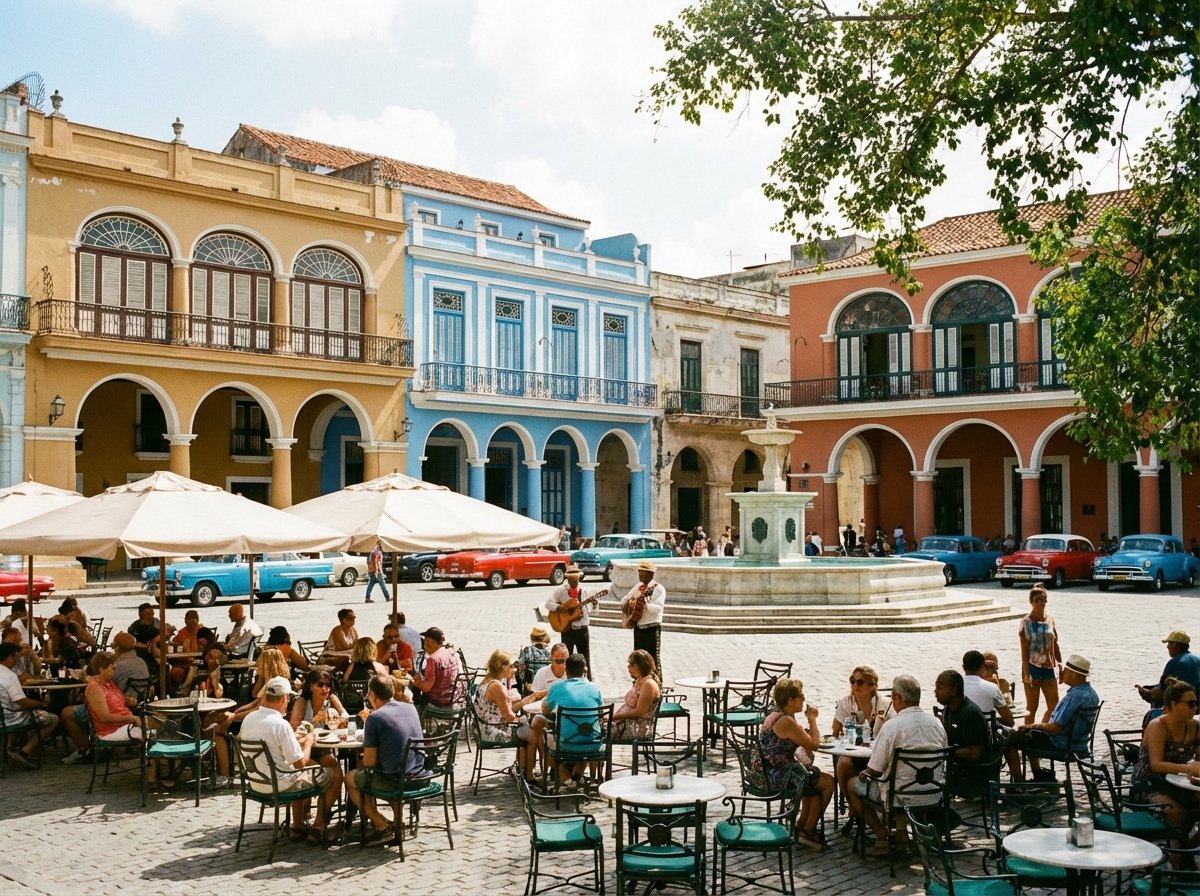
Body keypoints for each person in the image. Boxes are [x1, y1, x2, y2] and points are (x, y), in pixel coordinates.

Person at [854, 674, 948, 857]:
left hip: (898, 797)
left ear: (897, 697)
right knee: (899, 778)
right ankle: (902, 834)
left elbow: (876, 768)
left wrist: (863, 773)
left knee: (852, 784)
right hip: (932, 792)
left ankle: (882, 836)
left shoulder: (892, 726)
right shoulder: (936, 723)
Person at [241, 676, 342, 846]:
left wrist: (293, 739)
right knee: (336, 774)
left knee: (314, 767)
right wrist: (309, 741)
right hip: (280, 784)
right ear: (284, 699)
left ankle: (298, 826)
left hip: (256, 783)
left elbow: (274, 746)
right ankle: (318, 828)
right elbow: (300, 764)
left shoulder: (249, 719)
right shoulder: (280, 724)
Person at [345, 674, 426, 844]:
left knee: (350, 778)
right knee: (390, 769)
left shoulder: (374, 718)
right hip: (420, 775)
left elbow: (369, 763)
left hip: (397, 780)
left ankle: (382, 826)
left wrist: (363, 757)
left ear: (372, 695)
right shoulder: (410, 708)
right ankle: (397, 824)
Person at [754, 677, 833, 850]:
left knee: (812, 776)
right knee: (827, 783)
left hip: (768, 770)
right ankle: (807, 831)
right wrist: (812, 719)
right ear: (790, 700)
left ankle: (801, 828)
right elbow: (814, 744)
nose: (804, 699)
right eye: (801, 696)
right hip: (776, 775)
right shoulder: (786, 721)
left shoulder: (776, 715)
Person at [1007, 654, 1099, 782]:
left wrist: (1032, 726)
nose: (1062, 673)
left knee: (1010, 739)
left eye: (1065, 671)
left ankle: (1019, 783)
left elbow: (1055, 727)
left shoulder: (1075, 696)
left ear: (1073, 674)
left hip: (1062, 744)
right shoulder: (1092, 693)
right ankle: (1038, 774)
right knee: (1028, 733)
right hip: (1080, 744)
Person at [1130, 677, 1200, 844]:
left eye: (1196, 703)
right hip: (1148, 785)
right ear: (1174, 704)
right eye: (1190, 703)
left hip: (1179, 785)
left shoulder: (1195, 727)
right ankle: (1180, 857)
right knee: (1179, 815)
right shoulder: (1158, 726)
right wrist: (1188, 769)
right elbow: (1157, 765)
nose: (1196, 707)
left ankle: (1185, 849)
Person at [831, 665, 894, 831]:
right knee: (843, 764)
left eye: (860, 682)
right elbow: (835, 731)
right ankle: (854, 808)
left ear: (872, 686)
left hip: (875, 755)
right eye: (852, 681)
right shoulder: (846, 703)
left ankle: (862, 812)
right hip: (852, 752)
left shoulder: (885, 704)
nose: (855, 686)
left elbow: (892, 733)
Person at [472, 650, 545, 782]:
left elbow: (504, 710)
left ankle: (522, 770)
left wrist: (528, 699)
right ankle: (529, 776)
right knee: (533, 734)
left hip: (483, 727)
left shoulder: (487, 680)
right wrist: (523, 719)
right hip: (491, 730)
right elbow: (509, 716)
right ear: (501, 666)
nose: (515, 669)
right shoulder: (497, 686)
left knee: (526, 729)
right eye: (511, 666)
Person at [533, 652, 602, 788]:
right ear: (584, 670)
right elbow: (599, 711)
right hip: (593, 743)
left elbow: (545, 709)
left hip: (567, 744)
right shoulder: (594, 688)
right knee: (584, 732)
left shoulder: (558, 688)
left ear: (566, 670)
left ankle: (565, 777)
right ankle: (577, 775)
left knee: (543, 740)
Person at [0, 641, 59, 769]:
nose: (16, 660)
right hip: (12, 718)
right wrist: (40, 704)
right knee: (53, 719)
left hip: (3, 716)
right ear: (10, 657)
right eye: (16, 657)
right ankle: (26, 751)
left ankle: (11, 746)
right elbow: (22, 702)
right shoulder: (9, 676)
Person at [935, 670, 991, 795]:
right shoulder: (948, 709)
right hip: (955, 770)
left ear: (953, 691)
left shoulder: (970, 713)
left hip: (971, 776)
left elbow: (974, 753)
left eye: (940, 688)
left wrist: (945, 752)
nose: (935, 691)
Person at [1018, 584, 1061, 725]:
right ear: (1031, 602)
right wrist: (1026, 673)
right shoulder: (1025, 622)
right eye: (1037, 600)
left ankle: (1040, 730)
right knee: (1031, 708)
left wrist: (1060, 665)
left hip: (1048, 668)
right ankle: (1027, 734)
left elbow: (1055, 644)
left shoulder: (1050, 620)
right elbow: (1024, 650)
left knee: (1054, 706)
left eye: (1043, 600)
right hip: (1032, 667)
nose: (1040, 603)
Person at [84, 651, 143, 746]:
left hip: (124, 726)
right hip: (110, 731)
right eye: (113, 668)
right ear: (102, 669)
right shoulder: (95, 688)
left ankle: (158, 757)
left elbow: (116, 702)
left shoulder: (109, 683)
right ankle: (157, 757)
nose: (115, 671)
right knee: (151, 734)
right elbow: (104, 717)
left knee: (157, 722)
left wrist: (129, 700)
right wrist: (132, 718)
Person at [545, 566, 596, 676]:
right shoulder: (561, 591)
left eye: (575, 579)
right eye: (571, 580)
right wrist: (560, 608)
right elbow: (548, 604)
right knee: (566, 657)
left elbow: (592, 611)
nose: (573, 582)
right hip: (567, 629)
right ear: (567, 579)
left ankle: (587, 679)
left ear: (579, 578)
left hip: (582, 630)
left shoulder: (585, 592)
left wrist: (595, 604)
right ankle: (566, 678)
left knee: (585, 657)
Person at [1136, 630, 1200, 713]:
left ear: (1175, 645)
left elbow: (1163, 689)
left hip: (1184, 705)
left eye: (1169, 644)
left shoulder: (1176, 662)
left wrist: (1146, 693)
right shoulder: (1197, 659)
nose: (1167, 647)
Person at [620, 560, 665, 676]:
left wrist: (645, 605)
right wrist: (630, 603)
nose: (640, 576)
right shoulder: (638, 586)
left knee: (653, 657)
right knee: (638, 658)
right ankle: (638, 683)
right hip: (639, 627)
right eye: (639, 573)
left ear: (650, 575)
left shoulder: (658, 589)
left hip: (652, 627)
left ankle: (656, 684)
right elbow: (625, 599)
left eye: (642, 574)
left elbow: (658, 608)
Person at [611, 649, 661, 741]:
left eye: (632, 664)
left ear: (641, 665)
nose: (628, 666)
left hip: (636, 727)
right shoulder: (640, 681)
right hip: (627, 723)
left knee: (595, 731)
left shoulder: (648, 684)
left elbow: (638, 712)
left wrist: (616, 717)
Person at [408, 627, 461, 710]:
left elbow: (426, 687)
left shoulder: (433, 659)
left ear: (431, 642)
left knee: (412, 693)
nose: (425, 646)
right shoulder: (449, 653)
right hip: (451, 698)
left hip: (438, 701)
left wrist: (416, 682)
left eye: (426, 642)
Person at [962, 650, 1014, 726]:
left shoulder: (956, 685)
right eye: (988, 667)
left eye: (995, 668)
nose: (992, 671)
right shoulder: (992, 687)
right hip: (984, 732)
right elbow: (1009, 719)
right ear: (982, 667)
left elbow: (1008, 703)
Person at [343, 637, 388, 714]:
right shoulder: (377, 667)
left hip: (353, 706)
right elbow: (388, 684)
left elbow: (345, 681)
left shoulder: (351, 667)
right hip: (374, 706)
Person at [110, 631, 150, 703]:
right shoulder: (142, 662)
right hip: (140, 701)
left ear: (117, 648)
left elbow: (107, 682)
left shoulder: (119, 665)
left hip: (123, 701)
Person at [126, 602, 163, 676]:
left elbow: (163, 635)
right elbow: (131, 643)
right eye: (148, 614)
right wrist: (147, 645)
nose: (151, 616)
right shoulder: (135, 627)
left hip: (157, 652)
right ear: (141, 614)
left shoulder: (156, 623)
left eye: (152, 613)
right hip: (141, 655)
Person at [515, 625, 553, 694]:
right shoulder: (550, 651)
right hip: (545, 683)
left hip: (531, 684)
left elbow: (520, 663)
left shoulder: (527, 650)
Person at [364, 540, 389, 604]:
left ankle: (367, 598)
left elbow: (369, 562)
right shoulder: (377, 551)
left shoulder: (371, 552)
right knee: (382, 585)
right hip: (377, 571)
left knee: (370, 585)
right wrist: (376, 571)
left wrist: (371, 570)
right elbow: (375, 562)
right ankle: (387, 597)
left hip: (371, 571)